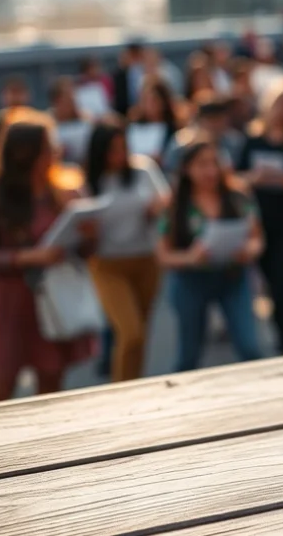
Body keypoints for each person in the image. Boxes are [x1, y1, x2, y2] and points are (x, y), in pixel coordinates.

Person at [0, 113, 95, 403]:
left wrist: (88, 234)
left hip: (51, 298)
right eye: (48, 147)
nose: (55, 153)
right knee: (1, 388)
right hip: (7, 302)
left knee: (51, 384)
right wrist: (29, 257)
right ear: (26, 154)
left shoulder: (62, 191)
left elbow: (83, 252)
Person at [156, 139, 264, 371]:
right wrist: (189, 257)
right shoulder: (174, 205)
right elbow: (163, 256)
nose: (210, 171)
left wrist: (248, 250)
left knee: (250, 348)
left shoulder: (236, 196)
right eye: (202, 164)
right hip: (191, 280)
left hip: (232, 276)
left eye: (214, 163)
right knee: (188, 355)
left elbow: (257, 238)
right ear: (187, 169)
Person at [84, 120, 171, 382]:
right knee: (130, 332)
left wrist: (156, 210)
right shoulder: (87, 181)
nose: (119, 156)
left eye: (123, 148)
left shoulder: (143, 169)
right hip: (108, 265)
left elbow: (165, 201)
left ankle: (134, 387)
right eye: (112, 150)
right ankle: (120, 389)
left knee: (140, 335)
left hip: (145, 260)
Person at [237, 83, 283, 354]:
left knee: (282, 282)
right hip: (260, 222)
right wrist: (255, 178)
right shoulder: (253, 140)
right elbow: (237, 177)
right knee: (270, 284)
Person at [162, 94, 245, 173]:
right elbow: (170, 171)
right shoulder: (181, 142)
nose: (215, 125)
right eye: (210, 119)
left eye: (219, 119)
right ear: (199, 120)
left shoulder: (235, 141)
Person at [127, 76, 180, 163]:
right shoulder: (132, 126)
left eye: (153, 100)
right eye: (145, 100)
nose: (149, 105)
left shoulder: (172, 130)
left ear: (163, 102)